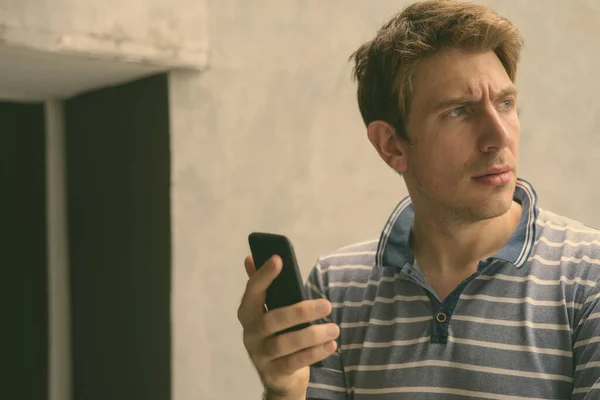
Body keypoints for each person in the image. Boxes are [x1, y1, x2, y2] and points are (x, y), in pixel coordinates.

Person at [237, 0, 600, 398]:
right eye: (459, 111)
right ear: (392, 145)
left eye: (506, 103)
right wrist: (284, 390)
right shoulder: (335, 288)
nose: (499, 136)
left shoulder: (588, 276)